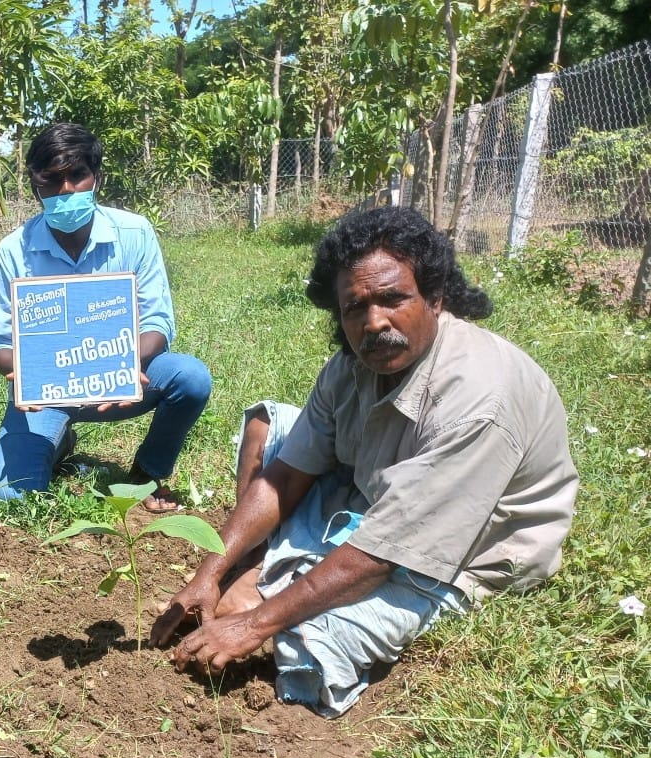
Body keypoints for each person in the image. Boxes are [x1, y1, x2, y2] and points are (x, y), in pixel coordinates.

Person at [151, 207, 578, 716]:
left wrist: (258, 623)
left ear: (435, 298)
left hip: (462, 547)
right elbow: (286, 475)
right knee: (267, 430)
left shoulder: (480, 400)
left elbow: (382, 556)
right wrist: (210, 571)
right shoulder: (352, 365)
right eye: (355, 307)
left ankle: (280, 578)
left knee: (307, 648)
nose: (375, 322)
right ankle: (266, 566)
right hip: (375, 492)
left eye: (394, 299)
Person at [0, 122, 212, 512]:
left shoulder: (134, 233)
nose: (66, 190)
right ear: (35, 186)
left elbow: (157, 321)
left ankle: (146, 472)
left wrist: (121, 365)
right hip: (47, 396)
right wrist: (25, 372)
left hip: (123, 382)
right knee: (13, 495)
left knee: (190, 378)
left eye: (77, 175)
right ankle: (59, 439)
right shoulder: (13, 252)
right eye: (51, 180)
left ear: (97, 177)